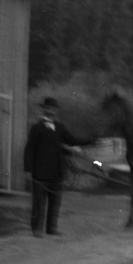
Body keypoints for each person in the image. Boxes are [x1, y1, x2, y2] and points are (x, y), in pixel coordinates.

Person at [23, 97, 82, 237]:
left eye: (53, 109)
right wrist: (28, 170)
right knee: (38, 203)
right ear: (44, 109)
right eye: (48, 108)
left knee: (55, 203)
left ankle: (51, 228)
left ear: (56, 111)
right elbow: (29, 150)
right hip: (40, 173)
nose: (51, 111)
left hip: (57, 172)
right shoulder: (36, 128)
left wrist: (92, 139)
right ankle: (36, 229)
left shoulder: (61, 128)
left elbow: (73, 140)